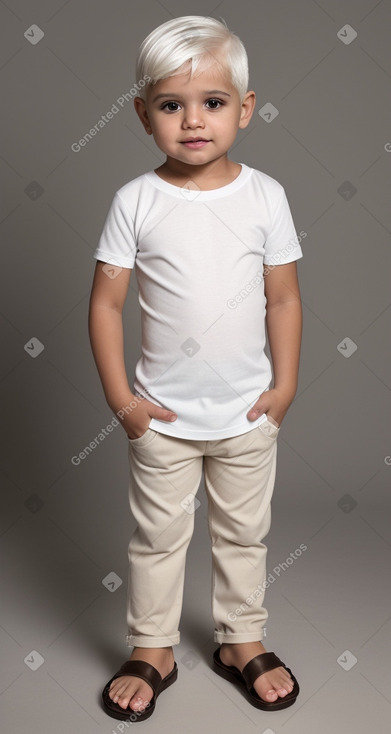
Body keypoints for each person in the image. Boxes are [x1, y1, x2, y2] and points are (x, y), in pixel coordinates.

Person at [89, 15, 303, 723]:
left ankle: (240, 639)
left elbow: (283, 296)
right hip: (164, 416)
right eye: (170, 105)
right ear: (142, 113)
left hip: (246, 410)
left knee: (245, 534)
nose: (191, 121)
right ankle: (152, 647)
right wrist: (124, 400)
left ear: (243, 108)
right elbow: (106, 303)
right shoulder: (136, 201)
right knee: (156, 538)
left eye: (212, 102)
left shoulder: (265, 196)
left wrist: (284, 387)